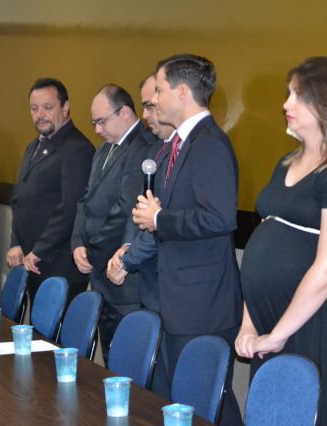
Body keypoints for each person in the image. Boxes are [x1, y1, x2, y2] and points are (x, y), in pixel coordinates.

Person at [235, 57, 327, 426]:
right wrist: (251, 324)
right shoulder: (285, 163)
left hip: (318, 322)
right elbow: (262, 249)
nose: (286, 103)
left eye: (297, 95)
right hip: (272, 322)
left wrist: (277, 335)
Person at [132, 54, 243, 425]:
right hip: (178, 299)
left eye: (159, 90)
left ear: (181, 92)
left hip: (202, 304)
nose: (154, 99)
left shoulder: (209, 143)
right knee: (184, 402)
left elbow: (219, 217)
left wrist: (159, 219)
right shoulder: (176, 144)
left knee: (208, 404)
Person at [72, 84, 157, 364]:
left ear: (124, 113)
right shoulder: (104, 149)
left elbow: (125, 209)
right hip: (99, 269)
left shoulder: (142, 147)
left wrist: (94, 253)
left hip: (122, 275)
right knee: (108, 356)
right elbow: (85, 199)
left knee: (126, 360)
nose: (97, 130)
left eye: (102, 121)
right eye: (94, 123)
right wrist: (78, 242)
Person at [106, 74, 175, 399]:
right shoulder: (158, 151)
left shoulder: (197, 150)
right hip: (152, 288)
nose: (146, 114)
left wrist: (128, 259)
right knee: (156, 390)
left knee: (185, 395)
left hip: (179, 292)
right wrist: (126, 247)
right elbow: (140, 211)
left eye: (151, 105)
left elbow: (165, 220)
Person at [7, 78, 95, 307]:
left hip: (59, 264)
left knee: (54, 329)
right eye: (34, 108)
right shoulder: (33, 146)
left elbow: (70, 208)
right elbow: (20, 199)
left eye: (47, 107)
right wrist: (15, 243)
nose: (40, 115)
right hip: (32, 261)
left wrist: (40, 250)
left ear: (65, 107)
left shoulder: (78, 148)